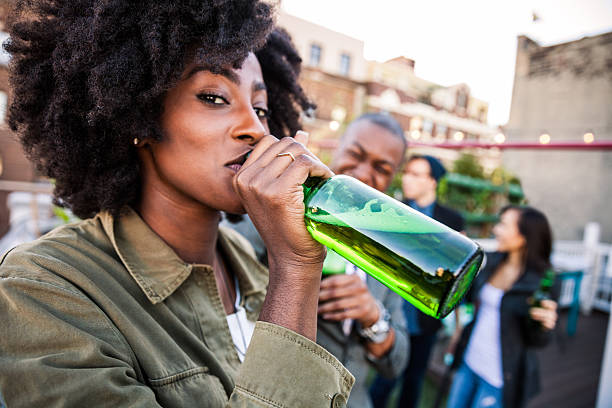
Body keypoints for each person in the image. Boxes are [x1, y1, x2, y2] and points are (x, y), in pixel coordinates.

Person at [0, 2, 354, 407]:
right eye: (214, 97)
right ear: (137, 116)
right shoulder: (46, 287)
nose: (254, 129)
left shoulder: (248, 259)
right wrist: (294, 273)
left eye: (261, 109)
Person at [316, 113, 410, 408]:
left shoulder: (389, 247)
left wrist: (373, 317)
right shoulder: (281, 212)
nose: (364, 174)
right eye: (355, 155)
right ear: (338, 148)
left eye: (382, 168)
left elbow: (397, 362)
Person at [370, 154, 464, 408]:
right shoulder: (393, 210)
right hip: (391, 307)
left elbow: (457, 274)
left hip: (424, 316)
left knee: (414, 381)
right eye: (406, 172)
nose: (407, 178)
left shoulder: (452, 221)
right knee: (383, 380)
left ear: (432, 181)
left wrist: (456, 325)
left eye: (416, 174)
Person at [446, 205, 559, 408]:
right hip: (469, 361)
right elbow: (467, 298)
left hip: (498, 377)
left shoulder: (542, 281)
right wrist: (458, 254)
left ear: (524, 237)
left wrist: (544, 326)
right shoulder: (493, 261)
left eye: (503, 225)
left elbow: (537, 341)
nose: (495, 230)